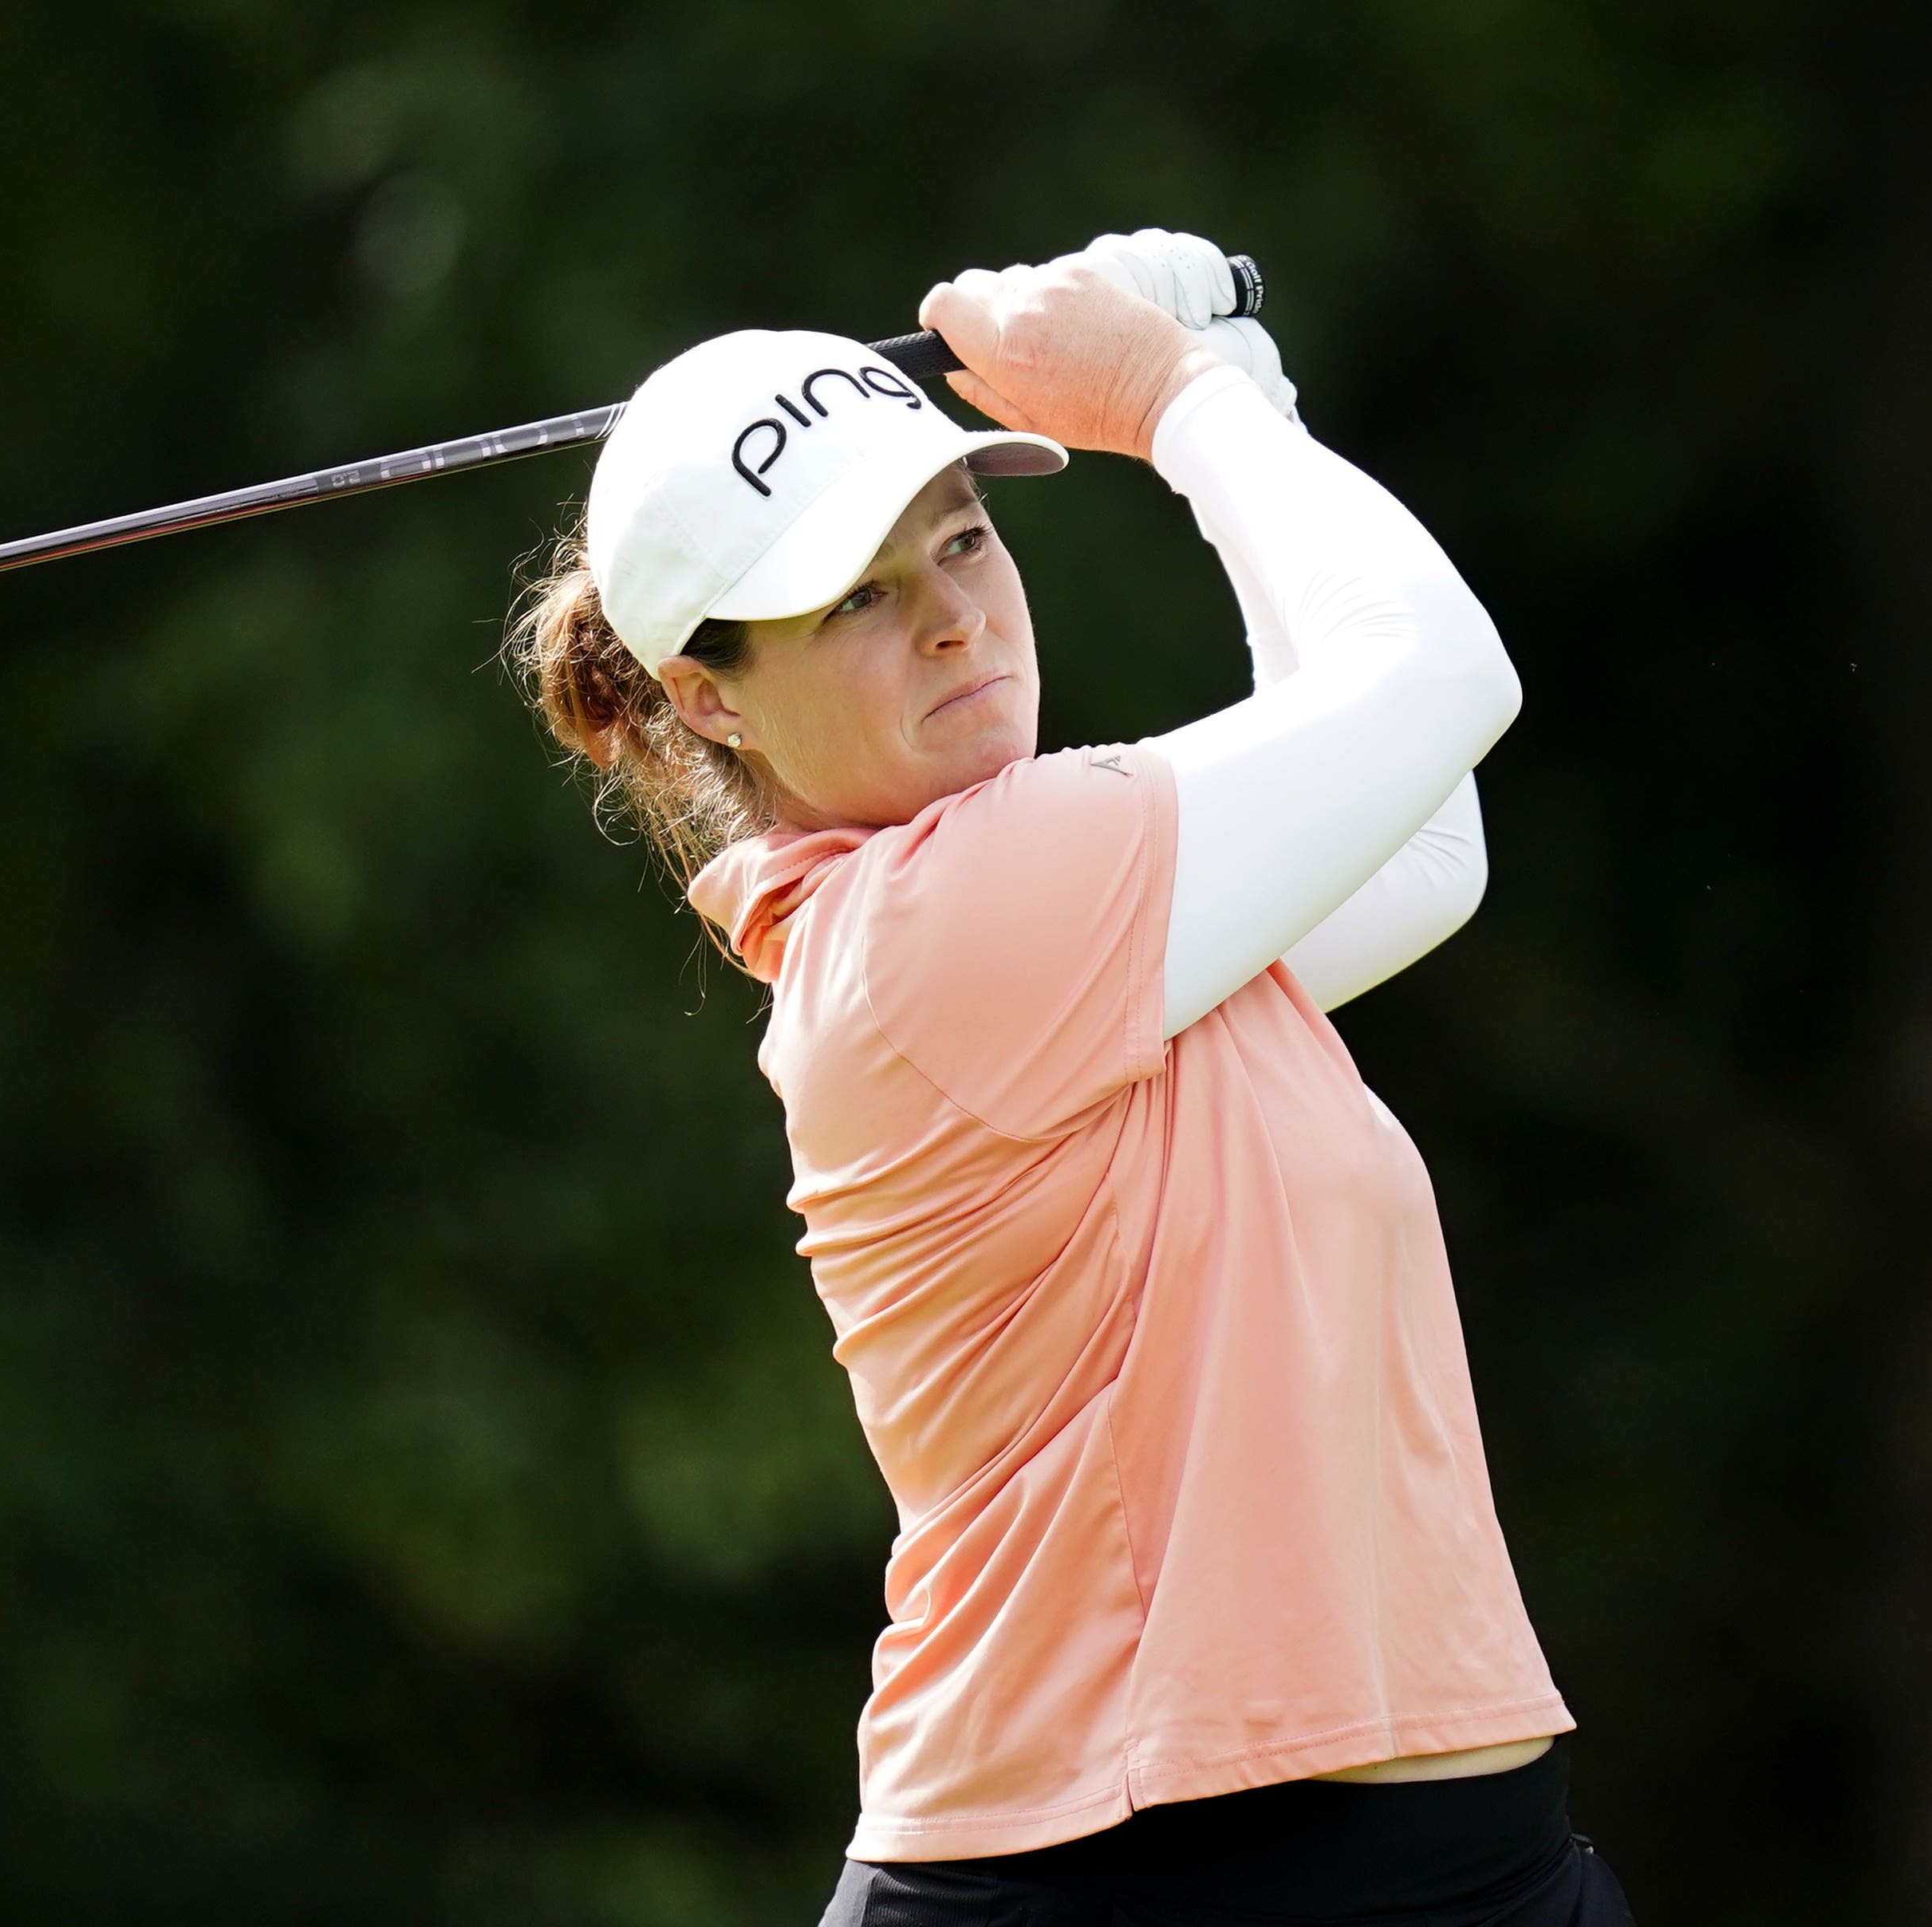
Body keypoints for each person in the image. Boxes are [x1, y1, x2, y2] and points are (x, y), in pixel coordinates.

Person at [506, 231, 1637, 1925]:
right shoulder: (951, 913)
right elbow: (1438, 676)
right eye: (861, 595)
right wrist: (1172, 395)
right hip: (1106, 1877)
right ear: (704, 699)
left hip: (1457, 1867)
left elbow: (1418, 835)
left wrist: (1242, 381)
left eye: (962, 537)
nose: (956, 617)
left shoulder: (1072, 915)